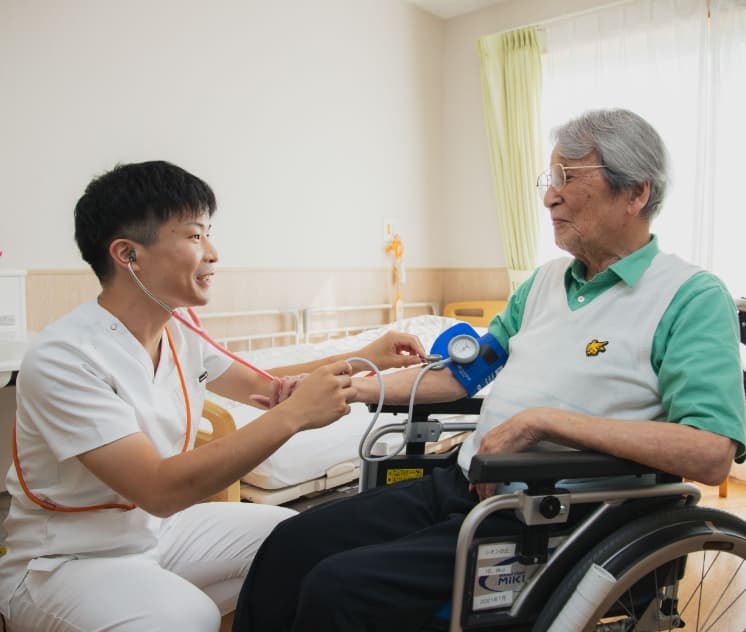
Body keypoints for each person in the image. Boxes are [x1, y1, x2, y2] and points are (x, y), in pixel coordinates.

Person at [232, 108, 746, 631]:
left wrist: (543, 422)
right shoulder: (543, 284)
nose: (549, 197)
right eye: (550, 179)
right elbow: (462, 375)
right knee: (289, 545)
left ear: (635, 192)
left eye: (568, 177)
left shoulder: (690, 297)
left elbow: (710, 452)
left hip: (558, 519)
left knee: (339, 588)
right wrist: (349, 387)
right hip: (468, 484)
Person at [0, 160, 426, 632]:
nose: (214, 253)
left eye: (209, 234)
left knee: (303, 542)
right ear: (128, 254)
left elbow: (265, 385)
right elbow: (158, 489)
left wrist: (366, 356)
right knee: (189, 617)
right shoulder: (65, 357)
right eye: (194, 236)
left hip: (158, 533)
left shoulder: (179, 333)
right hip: (66, 559)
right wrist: (295, 416)